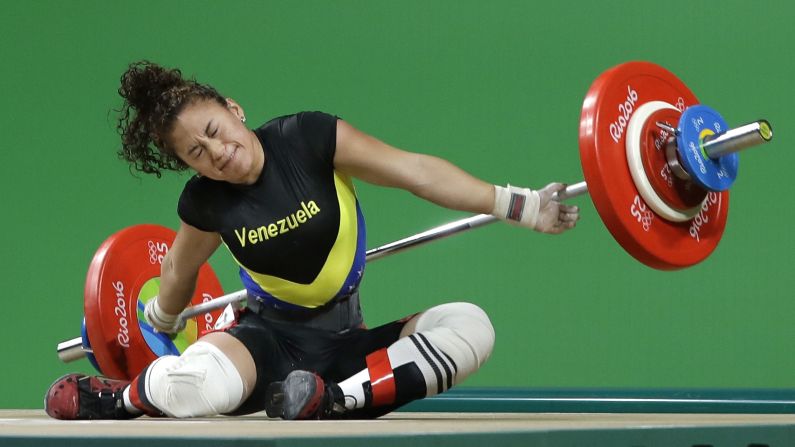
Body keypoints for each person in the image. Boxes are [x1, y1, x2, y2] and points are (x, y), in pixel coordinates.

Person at [44, 61, 579, 420]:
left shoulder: (308, 138)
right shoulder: (205, 203)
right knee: (199, 387)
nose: (216, 151)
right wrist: (158, 321)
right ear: (189, 167)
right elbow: (178, 276)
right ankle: (128, 397)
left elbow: (415, 171)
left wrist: (519, 204)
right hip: (266, 342)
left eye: (212, 129)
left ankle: (334, 402)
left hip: (348, 344)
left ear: (233, 109)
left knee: (470, 326)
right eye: (195, 154)